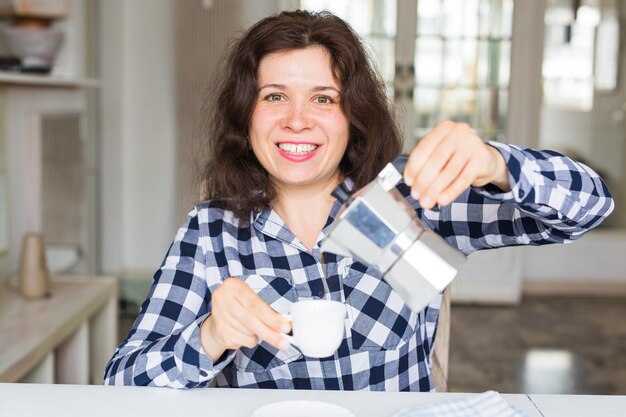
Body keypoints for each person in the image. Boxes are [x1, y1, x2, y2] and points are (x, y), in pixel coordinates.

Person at [104, 10, 614, 391]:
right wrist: (210, 336)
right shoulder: (213, 232)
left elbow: (590, 207)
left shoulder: (408, 200)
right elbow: (122, 386)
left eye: (323, 98)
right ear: (246, 117)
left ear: (353, 117)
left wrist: (496, 164)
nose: (297, 120)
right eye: (274, 96)